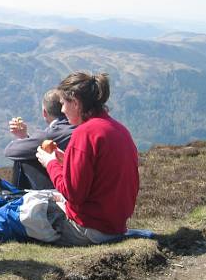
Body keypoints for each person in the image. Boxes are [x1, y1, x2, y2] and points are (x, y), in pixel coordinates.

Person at [36, 72, 139, 245]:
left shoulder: (84, 134)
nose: (62, 110)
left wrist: (51, 163)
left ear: (75, 102)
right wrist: (67, 160)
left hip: (89, 229)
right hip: (115, 226)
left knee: (23, 213)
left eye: (63, 103)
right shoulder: (118, 129)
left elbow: (72, 194)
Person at [4, 89, 75, 189]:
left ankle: (16, 199)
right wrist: (24, 136)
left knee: (22, 159)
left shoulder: (52, 134)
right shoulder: (78, 125)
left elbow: (10, 151)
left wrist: (24, 140)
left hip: (63, 188)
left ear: (44, 113)